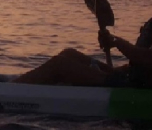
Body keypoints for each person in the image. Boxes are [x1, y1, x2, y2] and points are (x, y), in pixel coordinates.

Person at [10, 11, 152, 87]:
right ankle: (16, 83)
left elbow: (146, 58)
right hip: (126, 78)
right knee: (69, 53)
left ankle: (9, 91)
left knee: (60, 64)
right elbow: (139, 63)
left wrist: (115, 41)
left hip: (134, 87)